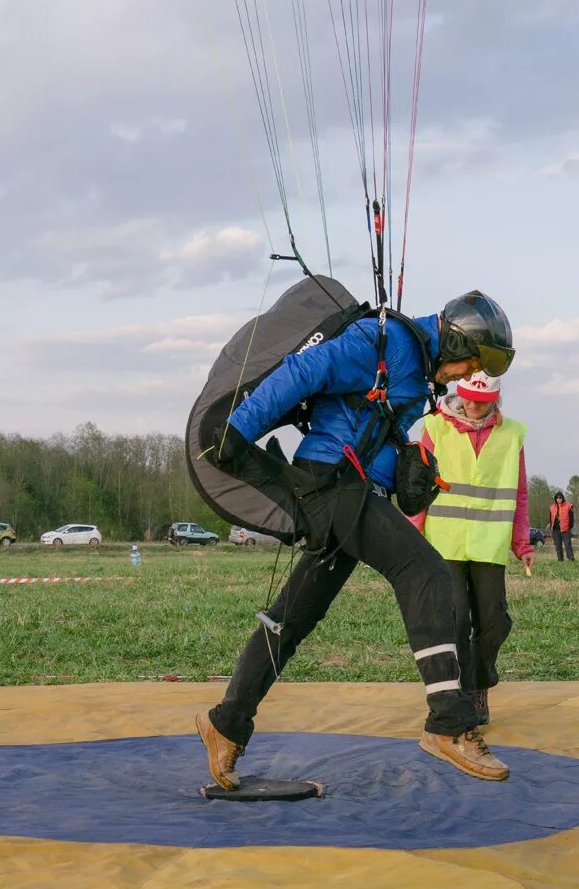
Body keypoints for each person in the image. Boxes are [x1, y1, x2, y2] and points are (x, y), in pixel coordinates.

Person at [195, 290, 517, 788]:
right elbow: (307, 371)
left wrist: (405, 467)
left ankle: (225, 724)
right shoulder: (382, 341)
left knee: (292, 618)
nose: (466, 376)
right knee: (424, 570)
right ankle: (450, 724)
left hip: (353, 488)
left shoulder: (414, 367)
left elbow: (372, 430)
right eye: (469, 364)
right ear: (455, 342)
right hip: (330, 484)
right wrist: (239, 428)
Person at [406, 371, 532, 727]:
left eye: (481, 401)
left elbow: (519, 494)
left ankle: (480, 681)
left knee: (493, 622)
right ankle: (464, 691)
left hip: (489, 544)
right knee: (456, 620)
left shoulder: (513, 433)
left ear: (495, 400)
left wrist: (521, 542)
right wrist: (413, 536)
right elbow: (418, 483)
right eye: (467, 398)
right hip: (444, 541)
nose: (472, 406)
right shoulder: (435, 426)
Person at [549, 492, 574, 561]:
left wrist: (570, 527)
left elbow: (572, 518)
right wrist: (551, 527)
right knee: (558, 546)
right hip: (555, 530)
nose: (558, 499)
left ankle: (570, 559)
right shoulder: (551, 507)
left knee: (567, 545)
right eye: (557, 497)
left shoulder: (569, 506)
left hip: (566, 529)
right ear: (555, 498)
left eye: (560, 497)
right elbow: (550, 518)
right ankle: (560, 559)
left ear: (562, 498)